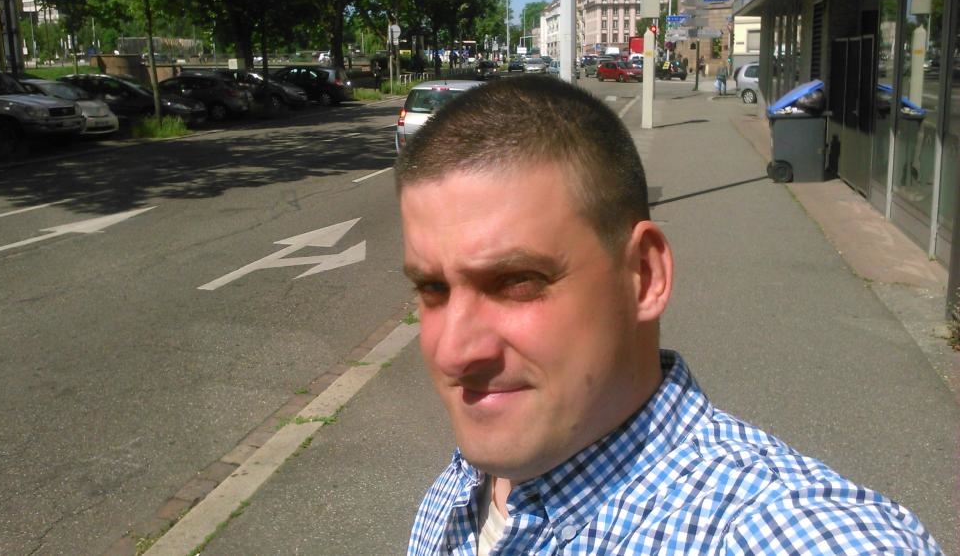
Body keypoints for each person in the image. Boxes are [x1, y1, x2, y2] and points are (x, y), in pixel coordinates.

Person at [396, 75, 942, 555]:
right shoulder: (471, 480)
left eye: (517, 282)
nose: (455, 353)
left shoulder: (773, 529)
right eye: (433, 289)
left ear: (645, 275)